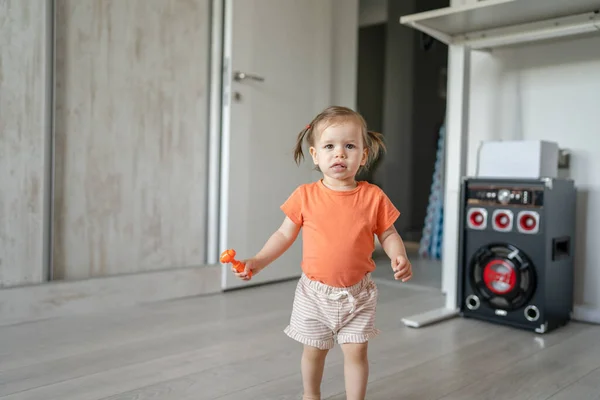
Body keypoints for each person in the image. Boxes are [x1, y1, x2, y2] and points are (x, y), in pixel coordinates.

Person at [231, 105, 413, 400]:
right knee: (314, 352)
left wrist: (399, 255)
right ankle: (310, 395)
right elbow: (283, 234)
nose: (339, 154)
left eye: (350, 146)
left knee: (357, 354)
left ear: (363, 156)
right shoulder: (305, 196)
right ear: (315, 155)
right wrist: (258, 261)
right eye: (330, 146)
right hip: (313, 295)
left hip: (359, 295)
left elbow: (389, 233)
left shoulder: (373, 197)